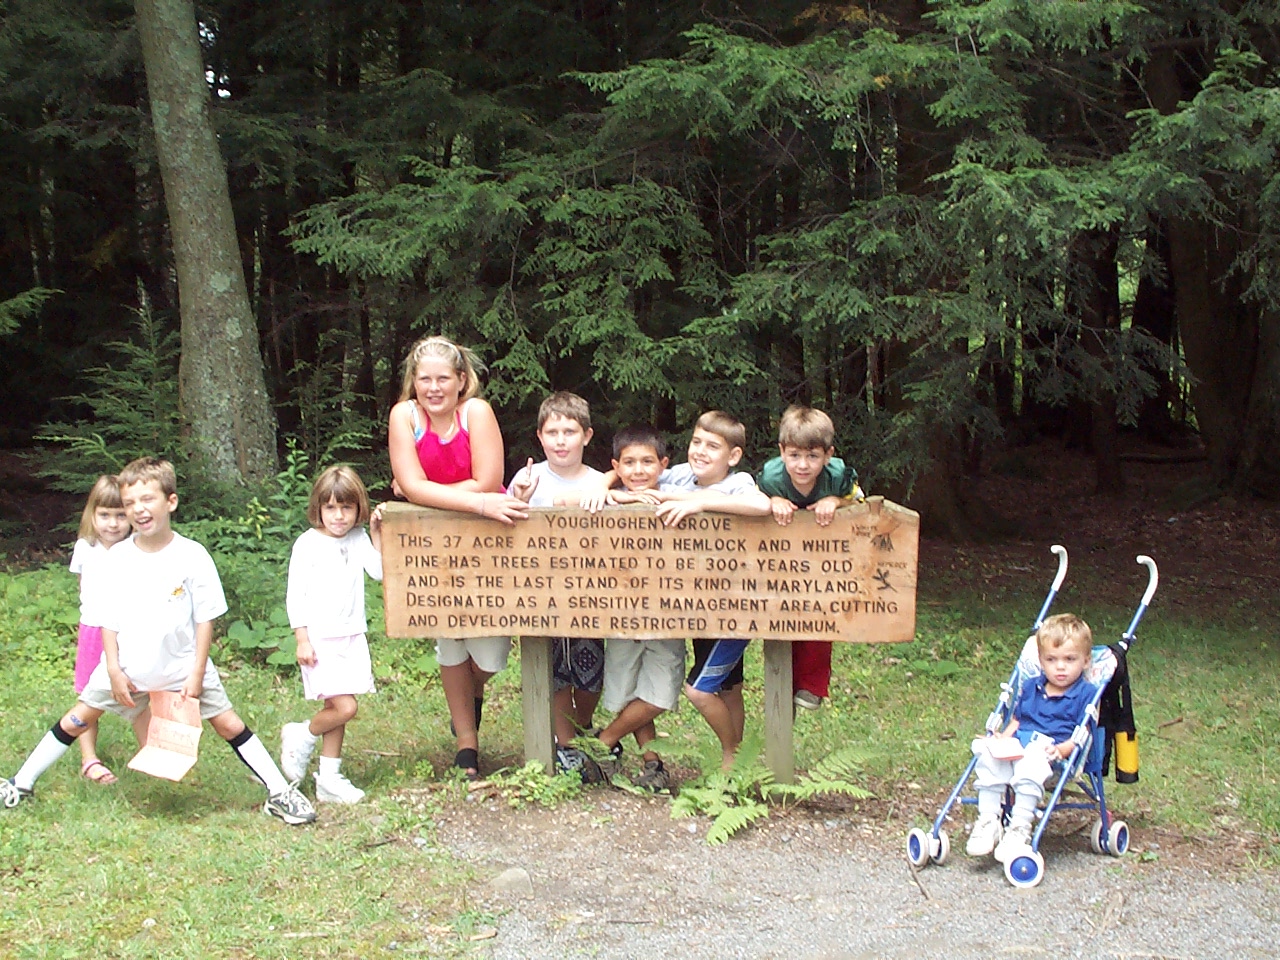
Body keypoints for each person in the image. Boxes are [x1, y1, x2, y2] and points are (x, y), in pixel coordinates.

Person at [1, 458, 315, 824]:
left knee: (229, 724)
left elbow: (205, 619)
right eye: (130, 502)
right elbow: (108, 619)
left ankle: (279, 792)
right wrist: (114, 669)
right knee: (76, 719)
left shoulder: (192, 555)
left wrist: (196, 673)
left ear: (171, 502)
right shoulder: (117, 558)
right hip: (128, 668)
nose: (138, 509)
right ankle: (20, 784)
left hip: (183, 667)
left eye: (147, 499)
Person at [387, 335, 529, 779]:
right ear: (414, 381)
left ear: (461, 380)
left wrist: (428, 493)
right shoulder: (404, 416)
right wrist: (469, 499)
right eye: (425, 379)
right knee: (450, 641)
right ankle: (467, 745)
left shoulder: (476, 413)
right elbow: (414, 485)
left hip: (490, 540)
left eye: (443, 379)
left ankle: (472, 693)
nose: (433, 388)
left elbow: (487, 479)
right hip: (436, 548)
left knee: (490, 653)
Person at [662, 412, 771, 770]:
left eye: (713, 446)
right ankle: (738, 769)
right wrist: (607, 484)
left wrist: (701, 502)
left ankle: (730, 756)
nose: (701, 451)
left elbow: (761, 506)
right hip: (700, 606)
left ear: (733, 455)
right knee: (730, 687)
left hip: (736, 609)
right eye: (696, 442)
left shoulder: (739, 482)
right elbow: (638, 475)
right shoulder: (680, 475)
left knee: (699, 690)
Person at [508, 392, 607, 771]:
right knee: (553, 672)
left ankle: (581, 727)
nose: (561, 440)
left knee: (591, 673)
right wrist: (520, 499)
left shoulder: (599, 482)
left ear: (587, 435)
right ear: (540, 436)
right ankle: (565, 744)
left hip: (589, 595)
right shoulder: (526, 479)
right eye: (552, 432)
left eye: (570, 431)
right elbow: (509, 531)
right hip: (539, 594)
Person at [279, 466, 384, 804]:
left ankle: (329, 776)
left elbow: (379, 572)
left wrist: (376, 533)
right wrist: (302, 638)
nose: (339, 516)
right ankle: (303, 734)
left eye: (346, 508)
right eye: (331, 508)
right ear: (319, 508)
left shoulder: (358, 538)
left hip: (351, 636)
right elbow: (295, 596)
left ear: (358, 508)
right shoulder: (308, 544)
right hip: (320, 639)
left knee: (336, 705)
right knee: (345, 707)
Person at [590, 426, 684, 790]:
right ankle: (652, 763)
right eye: (628, 463)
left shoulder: (676, 494)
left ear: (663, 464)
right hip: (621, 614)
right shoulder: (609, 499)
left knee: (660, 692)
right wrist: (610, 488)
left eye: (647, 462)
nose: (639, 470)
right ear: (616, 466)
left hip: (667, 617)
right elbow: (568, 500)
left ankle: (603, 742)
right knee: (627, 692)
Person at [966, 613, 1098, 863]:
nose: (1060, 667)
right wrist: (1002, 739)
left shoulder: (1086, 694)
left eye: (1070, 659)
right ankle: (988, 820)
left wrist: (1063, 749)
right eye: (1051, 659)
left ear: (1085, 661)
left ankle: (1019, 827)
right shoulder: (1031, 687)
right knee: (986, 752)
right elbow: (1018, 720)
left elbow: (1082, 733)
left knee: (1031, 761)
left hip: (1049, 750)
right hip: (1019, 744)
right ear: (1041, 660)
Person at [756, 406, 864, 711]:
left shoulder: (838, 476)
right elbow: (749, 501)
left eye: (813, 456)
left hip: (821, 562)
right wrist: (772, 500)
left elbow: (861, 504)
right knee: (781, 618)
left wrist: (836, 501)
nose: (802, 465)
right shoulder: (770, 477)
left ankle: (812, 686)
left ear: (828, 455)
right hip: (779, 561)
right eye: (794, 455)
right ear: (782, 452)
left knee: (819, 618)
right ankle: (784, 681)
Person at [67, 475, 133, 785]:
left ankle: (153, 751)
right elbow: (84, 588)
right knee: (89, 695)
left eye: (121, 515)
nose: (113, 523)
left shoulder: (136, 549)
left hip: (130, 632)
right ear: (92, 514)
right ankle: (89, 758)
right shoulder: (85, 548)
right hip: (94, 630)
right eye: (105, 515)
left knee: (141, 691)